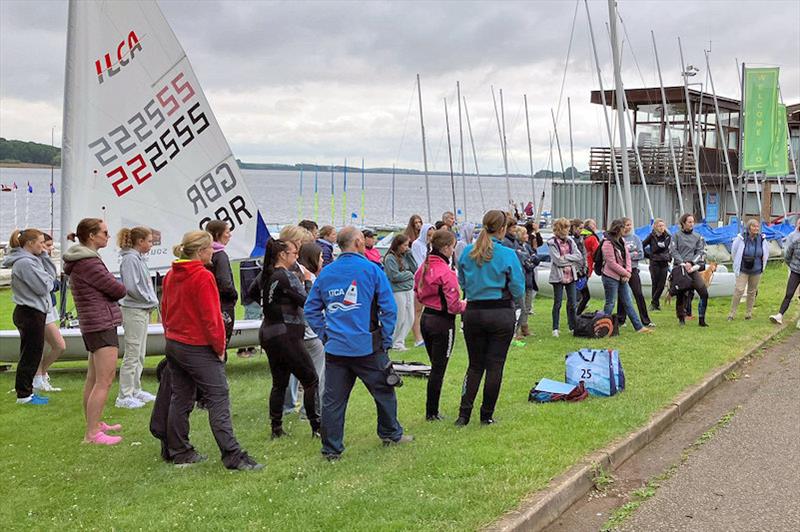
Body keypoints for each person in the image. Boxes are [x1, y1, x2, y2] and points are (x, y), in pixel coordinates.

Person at [160, 230, 263, 469]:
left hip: (175, 343)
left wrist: (170, 336)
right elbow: (212, 318)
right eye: (210, 249)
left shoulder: (171, 275)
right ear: (201, 251)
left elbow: (165, 310)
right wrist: (219, 348)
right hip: (197, 346)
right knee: (218, 397)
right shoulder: (203, 277)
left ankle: (178, 449)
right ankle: (232, 454)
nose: (213, 253)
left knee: (181, 395)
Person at [305, 226, 410, 460]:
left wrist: (325, 334)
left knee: (333, 401)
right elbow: (389, 308)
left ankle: (331, 449)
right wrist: (385, 338)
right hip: (367, 346)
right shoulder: (371, 270)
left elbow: (311, 309)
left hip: (337, 348)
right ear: (359, 243)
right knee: (384, 390)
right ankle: (391, 433)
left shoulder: (327, 273)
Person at [456, 210, 524, 426]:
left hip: (474, 312)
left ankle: (463, 414)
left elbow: (463, 283)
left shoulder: (467, 252)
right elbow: (518, 287)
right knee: (495, 365)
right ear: (502, 229)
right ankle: (486, 415)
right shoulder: (507, 254)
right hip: (500, 311)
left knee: (475, 365)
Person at [64, 218, 127, 444]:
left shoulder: (81, 261)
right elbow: (117, 289)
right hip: (100, 323)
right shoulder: (89, 263)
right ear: (91, 236)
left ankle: (95, 423)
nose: (108, 237)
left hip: (93, 323)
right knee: (105, 379)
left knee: (93, 378)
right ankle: (92, 434)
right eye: (105, 232)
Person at [249, 238, 320, 439]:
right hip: (286, 333)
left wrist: (270, 305)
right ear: (282, 255)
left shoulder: (266, 273)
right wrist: (307, 280)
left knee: (279, 382)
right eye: (294, 254)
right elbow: (307, 301)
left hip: (269, 331)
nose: (297, 257)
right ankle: (317, 427)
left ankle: (276, 428)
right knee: (311, 379)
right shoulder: (286, 276)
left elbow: (252, 292)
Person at [415, 228, 466, 421]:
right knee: (439, 368)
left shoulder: (424, 266)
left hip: (426, 318)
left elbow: (416, 289)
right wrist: (467, 305)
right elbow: (453, 306)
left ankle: (431, 410)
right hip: (443, 322)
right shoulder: (446, 272)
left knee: (435, 365)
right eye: (452, 247)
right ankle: (432, 412)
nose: (453, 251)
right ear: (445, 248)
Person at [4, 228, 53, 406]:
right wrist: (47, 279)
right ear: (30, 243)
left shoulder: (33, 260)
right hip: (29, 312)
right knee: (30, 354)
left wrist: (45, 258)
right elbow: (44, 287)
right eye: (40, 242)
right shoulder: (25, 263)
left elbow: (50, 279)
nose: (44, 246)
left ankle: (27, 392)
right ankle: (24, 394)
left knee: (33, 353)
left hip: (34, 311)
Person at [116, 226, 159, 409]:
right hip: (134, 310)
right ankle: (124, 395)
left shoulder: (138, 259)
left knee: (140, 352)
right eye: (149, 241)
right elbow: (132, 287)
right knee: (132, 353)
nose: (151, 244)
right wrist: (150, 299)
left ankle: (135, 389)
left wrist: (149, 301)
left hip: (142, 309)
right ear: (140, 242)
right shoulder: (130, 260)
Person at [600, 219, 653, 334]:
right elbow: (611, 263)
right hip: (610, 277)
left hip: (623, 275)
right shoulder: (607, 243)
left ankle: (638, 327)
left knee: (628, 302)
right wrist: (626, 273)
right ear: (618, 229)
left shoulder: (621, 241)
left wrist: (627, 272)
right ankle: (603, 327)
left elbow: (627, 258)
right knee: (610, 303)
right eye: (623, 227)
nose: (626, 229)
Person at [297, 242, 327, 416]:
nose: (322, 260)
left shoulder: (298, 275)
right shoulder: (310, 279)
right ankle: (313, 410)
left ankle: (307, 408)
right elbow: (311, 306)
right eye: (321, 257)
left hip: (301, 332)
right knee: (317, 374)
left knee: (307, 375)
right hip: (311, 332)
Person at [33, 233, 65, 393]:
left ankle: (39, 375)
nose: (50, 248)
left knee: (45, 345)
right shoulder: (34, 262)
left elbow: (54, 281)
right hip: (42, 308)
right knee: (58, 345)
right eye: (47, 244)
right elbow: (48, 284)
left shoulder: (42, 260)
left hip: (49, 306)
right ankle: (39, 375)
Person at [669, 214, 709, 327]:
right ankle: (681, 318)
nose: (692, 224)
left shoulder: (697, 236)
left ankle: (702, 319)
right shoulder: (676, 235)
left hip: (692, 268)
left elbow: (700, 251)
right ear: (683, 223)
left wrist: (691, 263)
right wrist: (682, 262)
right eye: (689, 222)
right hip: (680, 267)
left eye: (693, 222)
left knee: (704, 292)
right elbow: (673, 251)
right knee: (681, 294)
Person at [547, 218, 583, 337]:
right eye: (565, 228)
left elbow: (578, 256)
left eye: (568, 228)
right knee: (557, 303)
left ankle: (572, 326)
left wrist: (565, 257)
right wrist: (569, 259)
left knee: (572, 302)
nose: (567, 230)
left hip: (571, 275)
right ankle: (555, 328)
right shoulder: (552, 242)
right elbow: (557, 260)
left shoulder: (570, 241)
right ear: (559, 229)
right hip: (558, 276)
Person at [729, 219, 770, 321]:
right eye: (754, 226)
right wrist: (737, 263)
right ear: (749, 227)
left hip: (756, 269)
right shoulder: (741, 238)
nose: (756, 228)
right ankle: (732, 313)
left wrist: (762, 266)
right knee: (739, 290)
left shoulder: (762, 239)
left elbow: (765, 253)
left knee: (752, 292)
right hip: (743, 269)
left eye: (757, 226)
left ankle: (748, 314)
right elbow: (734, 251)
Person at [205, 220, 238, 345]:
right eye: (227, 232)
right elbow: (225, 283)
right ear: (218, 234)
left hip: (210, 303)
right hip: (223, 305)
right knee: (222, 342)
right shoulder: (220, 256)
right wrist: (234, 295)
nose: (229, 235)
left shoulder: (205, 254)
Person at [617, 217, 653, 327]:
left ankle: (646, 320)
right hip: (621, 270)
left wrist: (628, 255)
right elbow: (618, 256)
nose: (628, 227)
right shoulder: (618, 239)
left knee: (638, 294)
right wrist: (633, 254)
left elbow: (641, 254)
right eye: (626, 225)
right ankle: (620, 320)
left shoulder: (635, 238)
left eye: (630, 225)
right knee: (622, 295)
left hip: (633, 270)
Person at [383, 234, 416, 351]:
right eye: (405, 245)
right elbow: (394, 276)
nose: (406, 248)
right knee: (400, 317)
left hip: (408, 289)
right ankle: (394, 340)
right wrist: (409, 274)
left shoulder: (405, 256)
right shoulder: (390, 258)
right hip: (397, 291)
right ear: (398, 245)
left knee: (410, 317)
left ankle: (400, 340)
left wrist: (410, 255)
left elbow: (415, 269)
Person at [770, 218, 800, 326]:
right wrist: (792, 266)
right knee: (789, 294)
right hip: (795, 271)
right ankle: (779, 315)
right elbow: (788, 255)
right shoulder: (795, 239)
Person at [410, 223, 435, 347]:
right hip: (421, 279)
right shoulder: (416, 245)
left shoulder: (430, 246)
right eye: (428, 235)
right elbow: (419, 263)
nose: (430, 238)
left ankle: (425, 334)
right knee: (417, 309)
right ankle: (417, 337)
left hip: (430, 279)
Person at [514, 225, 539, 336]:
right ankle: (517, 329)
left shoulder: (527, 247)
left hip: (530, 280)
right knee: (521, 306)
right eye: (524, 234)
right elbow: (526, 263)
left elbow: (535, 258)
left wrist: (531, 260)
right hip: (522, 279)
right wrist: (531, 261)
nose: (527, 236)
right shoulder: (516, 248)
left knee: (527, 306)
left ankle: (525, 326)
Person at [642, 219, 671, 311]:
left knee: (662, 284)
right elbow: (642, 245)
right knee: (655, 283)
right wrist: (648, 255)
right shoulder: (651, 236)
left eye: (663, 225)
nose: (662, 227)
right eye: (659, 226)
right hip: (654, 262)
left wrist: (669, 256)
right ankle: (656, 304)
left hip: (664, 262)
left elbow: (668, 248)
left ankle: (653, 302)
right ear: (655, 227)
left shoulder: (667, 236)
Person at [576, 219, 600, 315]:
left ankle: (576, 314)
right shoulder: (592, 238)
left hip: (581, 267)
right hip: (586, 268)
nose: (595, 226)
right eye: (593, 224)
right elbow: (597, 252)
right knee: (585, 295)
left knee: (583, 294)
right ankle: (576, 315)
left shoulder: (582, 237)